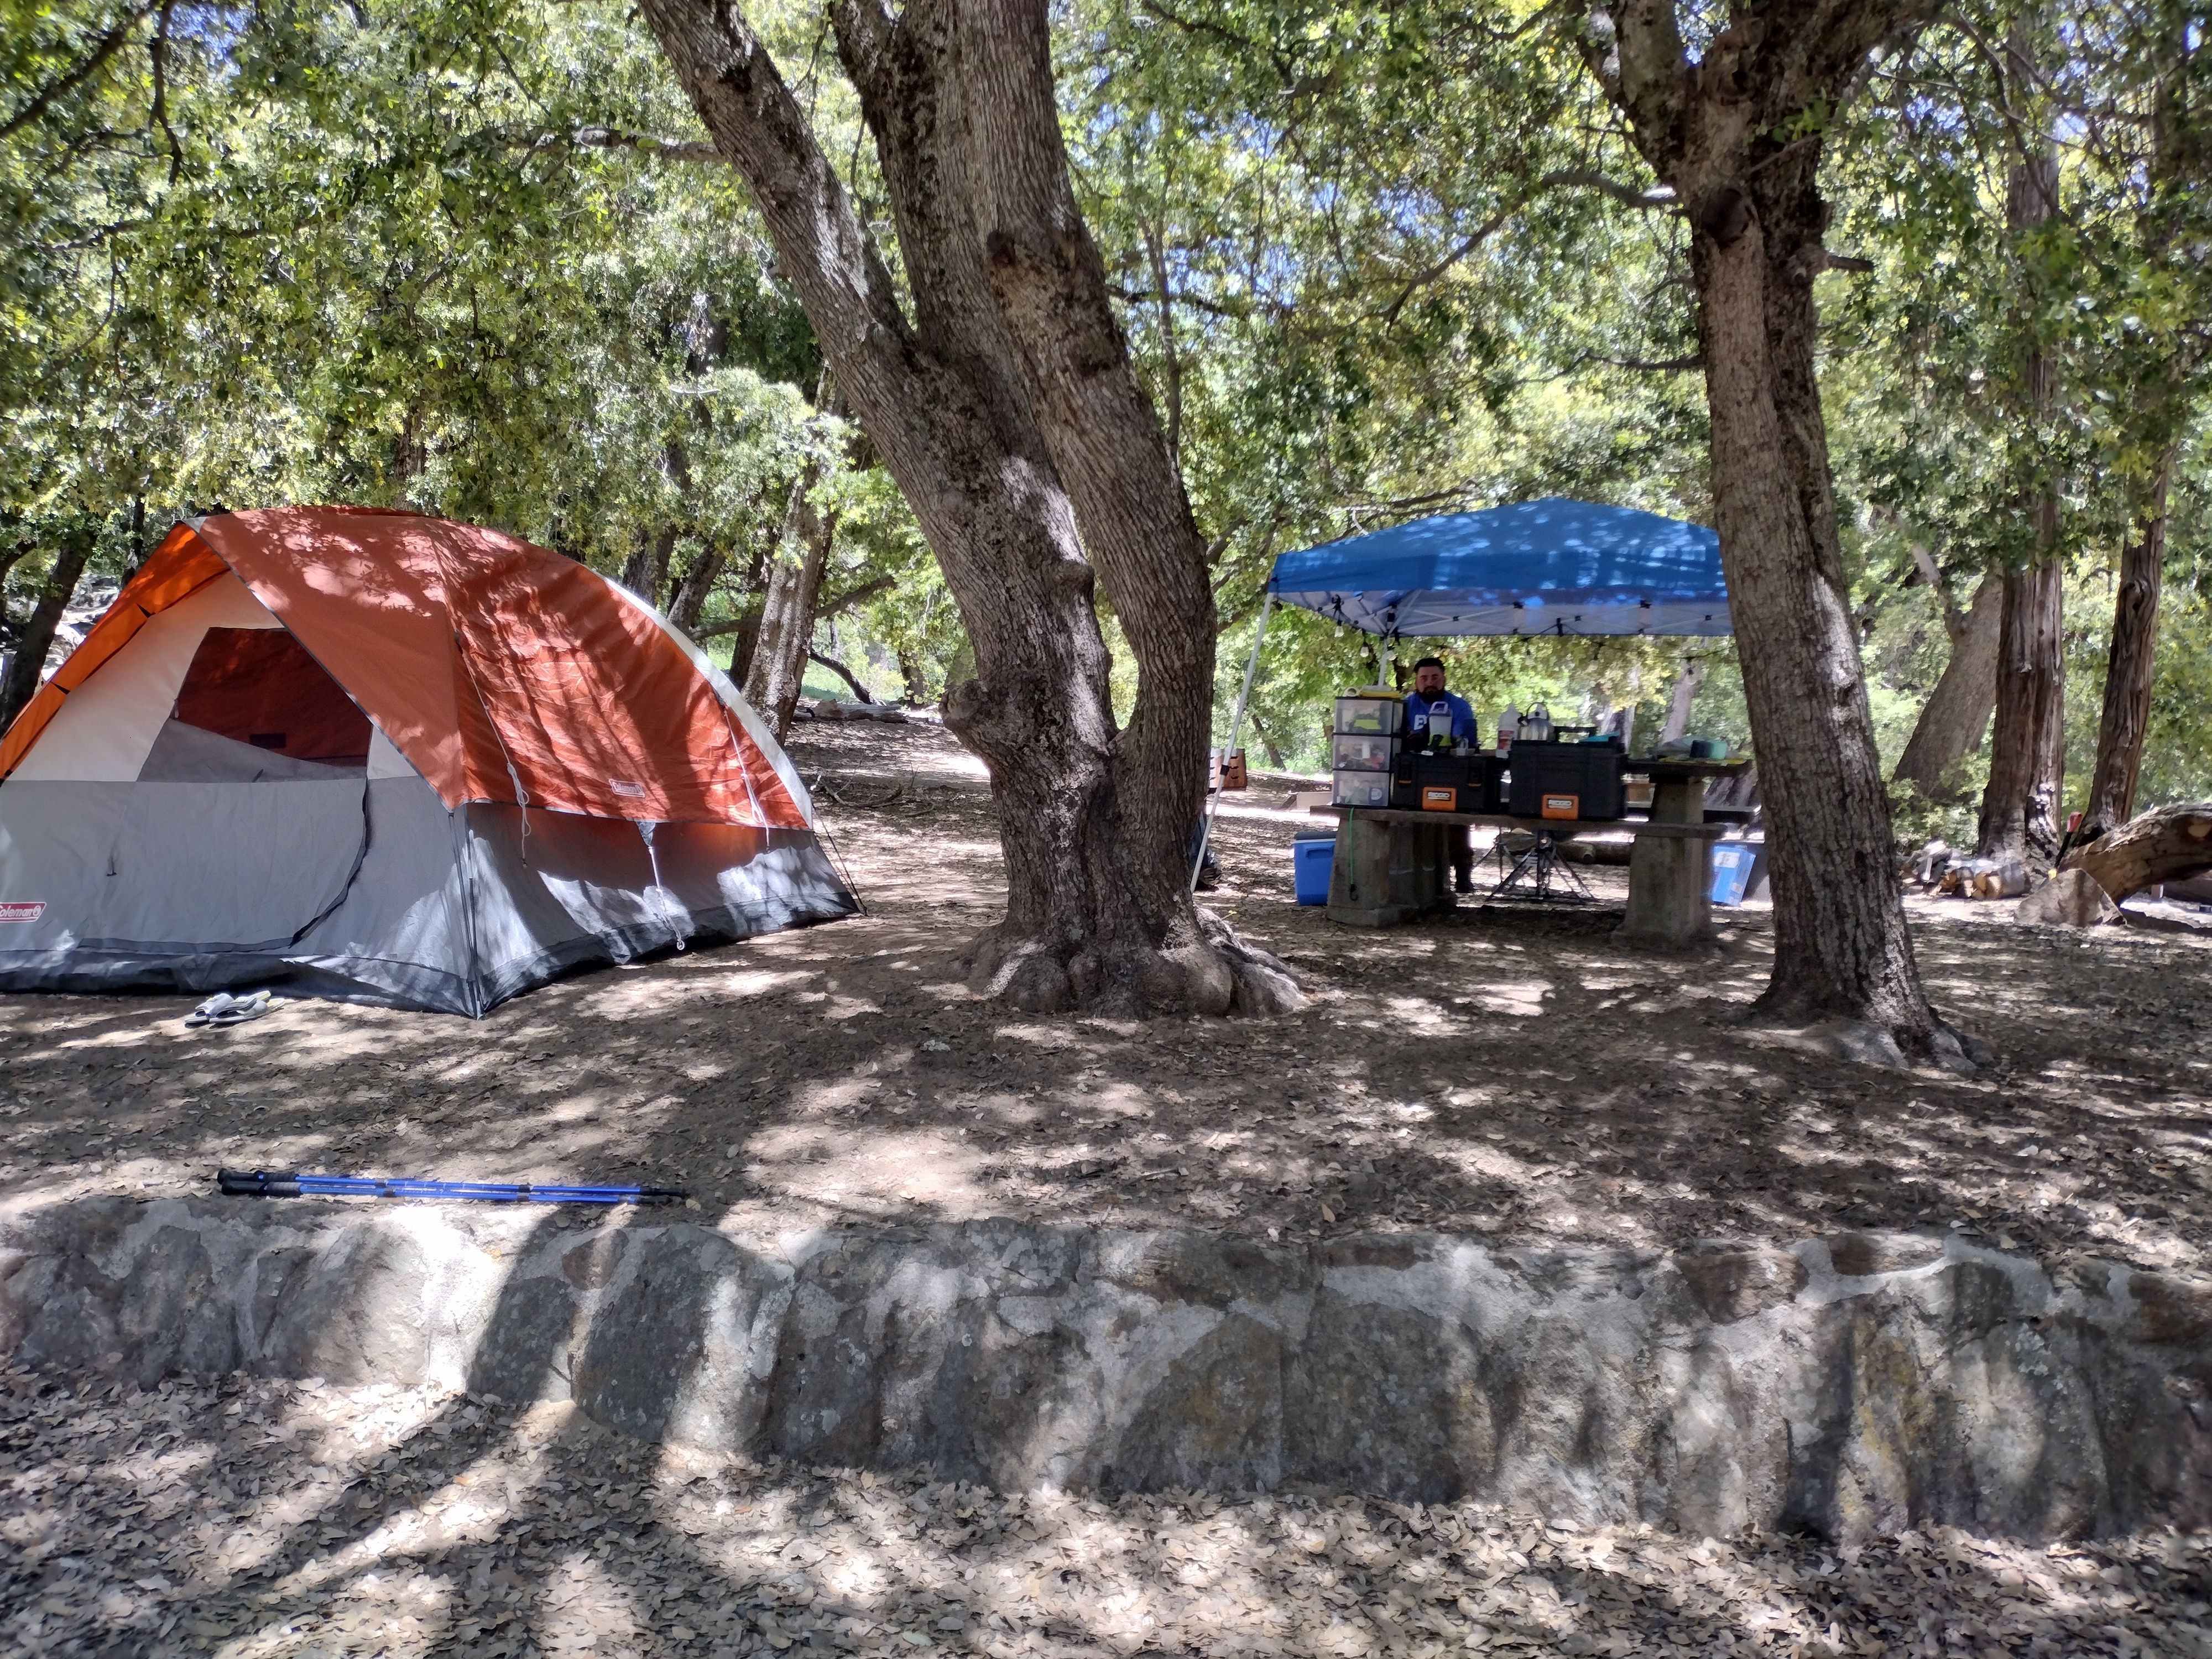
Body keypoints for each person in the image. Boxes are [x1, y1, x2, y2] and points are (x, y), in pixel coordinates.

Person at [1403, 656, 1478, 893]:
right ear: (1416, 681)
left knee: (1456, 820)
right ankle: (1414, 873)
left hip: (1449, 771)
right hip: (1414, 771)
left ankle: (1463, 874)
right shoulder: (1405, 706)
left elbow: (1458, 739)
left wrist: (1424, 736)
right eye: (1424, 678)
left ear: (1444, 679)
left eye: (1435, 677)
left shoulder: (1458, 706)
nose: (1429, 683)